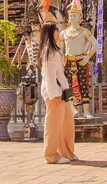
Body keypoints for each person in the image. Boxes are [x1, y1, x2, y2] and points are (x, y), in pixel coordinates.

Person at [38, 21, 77, 164]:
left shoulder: (56, 50)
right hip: (54, 93)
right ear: (50, 33)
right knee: (53, 125)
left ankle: (67, 152)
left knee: (66, 123)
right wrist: (54, 94)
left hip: (62, 92)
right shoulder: (49, 52)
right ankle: (51, 155)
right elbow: (49, 75)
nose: (58, 32)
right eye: (56, 30)